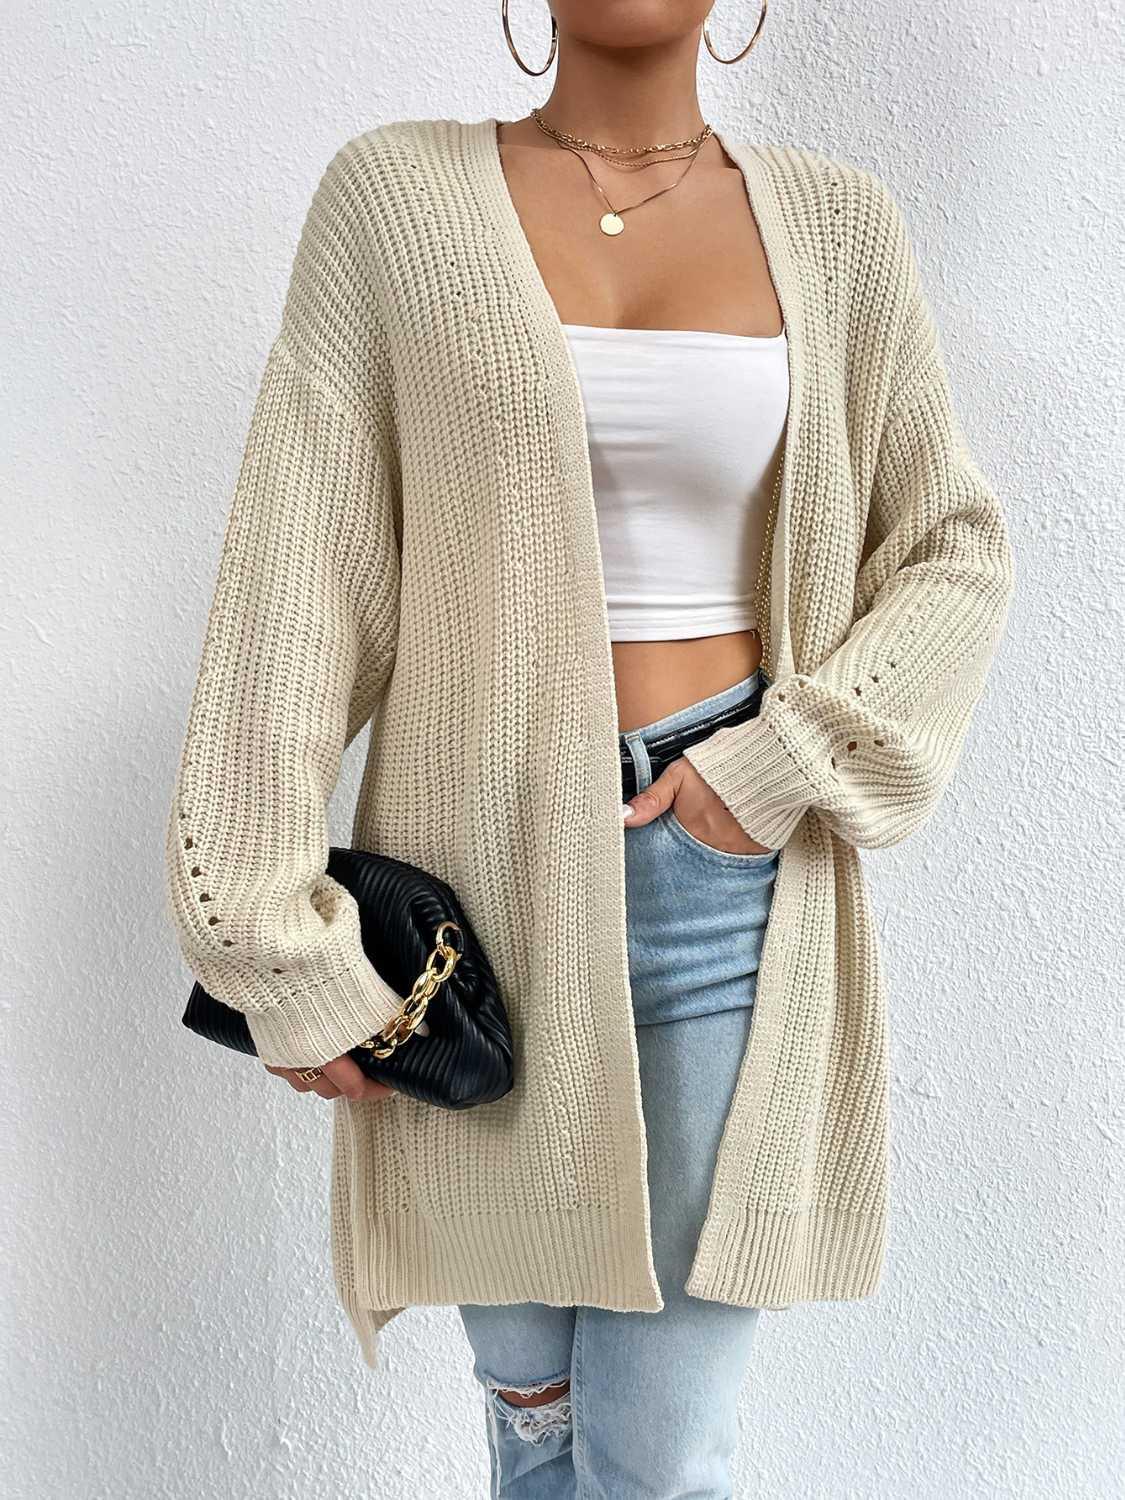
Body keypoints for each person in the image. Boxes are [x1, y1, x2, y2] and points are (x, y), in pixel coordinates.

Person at [163, 3, 1015, 1495]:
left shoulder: (839, 229)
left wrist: (768, 772)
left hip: (719, 880)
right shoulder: (396, 200)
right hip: (474, 898)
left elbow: (950, 547)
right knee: (534, 1426)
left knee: (655, 1460)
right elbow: (298, 581)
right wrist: (271, 941)